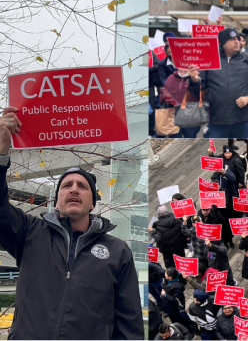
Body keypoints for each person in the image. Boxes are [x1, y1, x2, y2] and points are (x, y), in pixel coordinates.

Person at [0, 110, 143, 339]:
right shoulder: (29, 233)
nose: (74, 189)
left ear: (93, 204)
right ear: (56, 202)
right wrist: (1, 151)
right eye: (66, 186)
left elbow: (130, 326)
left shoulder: (118, 252)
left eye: (82, 186)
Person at [187, 28, 248, 138]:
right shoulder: (210, 60)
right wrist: (195, 81)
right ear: (223, 43)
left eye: (237, 38)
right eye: (232, 39)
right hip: (217, 122)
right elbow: (198, 91)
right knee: (218, 152)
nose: (237, 41)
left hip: (243, 122)